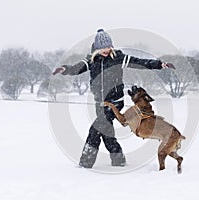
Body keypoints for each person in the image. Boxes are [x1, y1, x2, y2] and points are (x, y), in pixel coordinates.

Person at [53, 29, 175, 168]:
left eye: (108, 46)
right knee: (106, 131)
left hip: (115, 103)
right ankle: (118, 159)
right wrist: (64, 69)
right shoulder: (91, 61)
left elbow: (139, 62)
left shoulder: (117, 58)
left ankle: (86, 162)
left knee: (96, 129)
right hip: (99, 103)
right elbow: (76, 68)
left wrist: (159, 64)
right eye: (103, 47)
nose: (106, 49)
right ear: (97, 48)